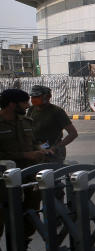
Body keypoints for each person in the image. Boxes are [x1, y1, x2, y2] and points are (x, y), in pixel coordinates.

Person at [0, 88, 52, 240]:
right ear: (11, 104)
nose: (28, 105)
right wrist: (24, 155)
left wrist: (45, 150)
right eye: (24, 102)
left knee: (31, 214)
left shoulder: (26, 122)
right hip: (4, 180)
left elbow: (35, 142)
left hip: (29, 175)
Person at [26, 85, 77, 164]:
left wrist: (57, 147)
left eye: (37, 97)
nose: (33, 99)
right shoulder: (32, 109)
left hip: (52, 153)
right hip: (36, 150)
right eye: (32, 97)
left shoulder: (56, 111)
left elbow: (73, 133)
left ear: (47, 97)